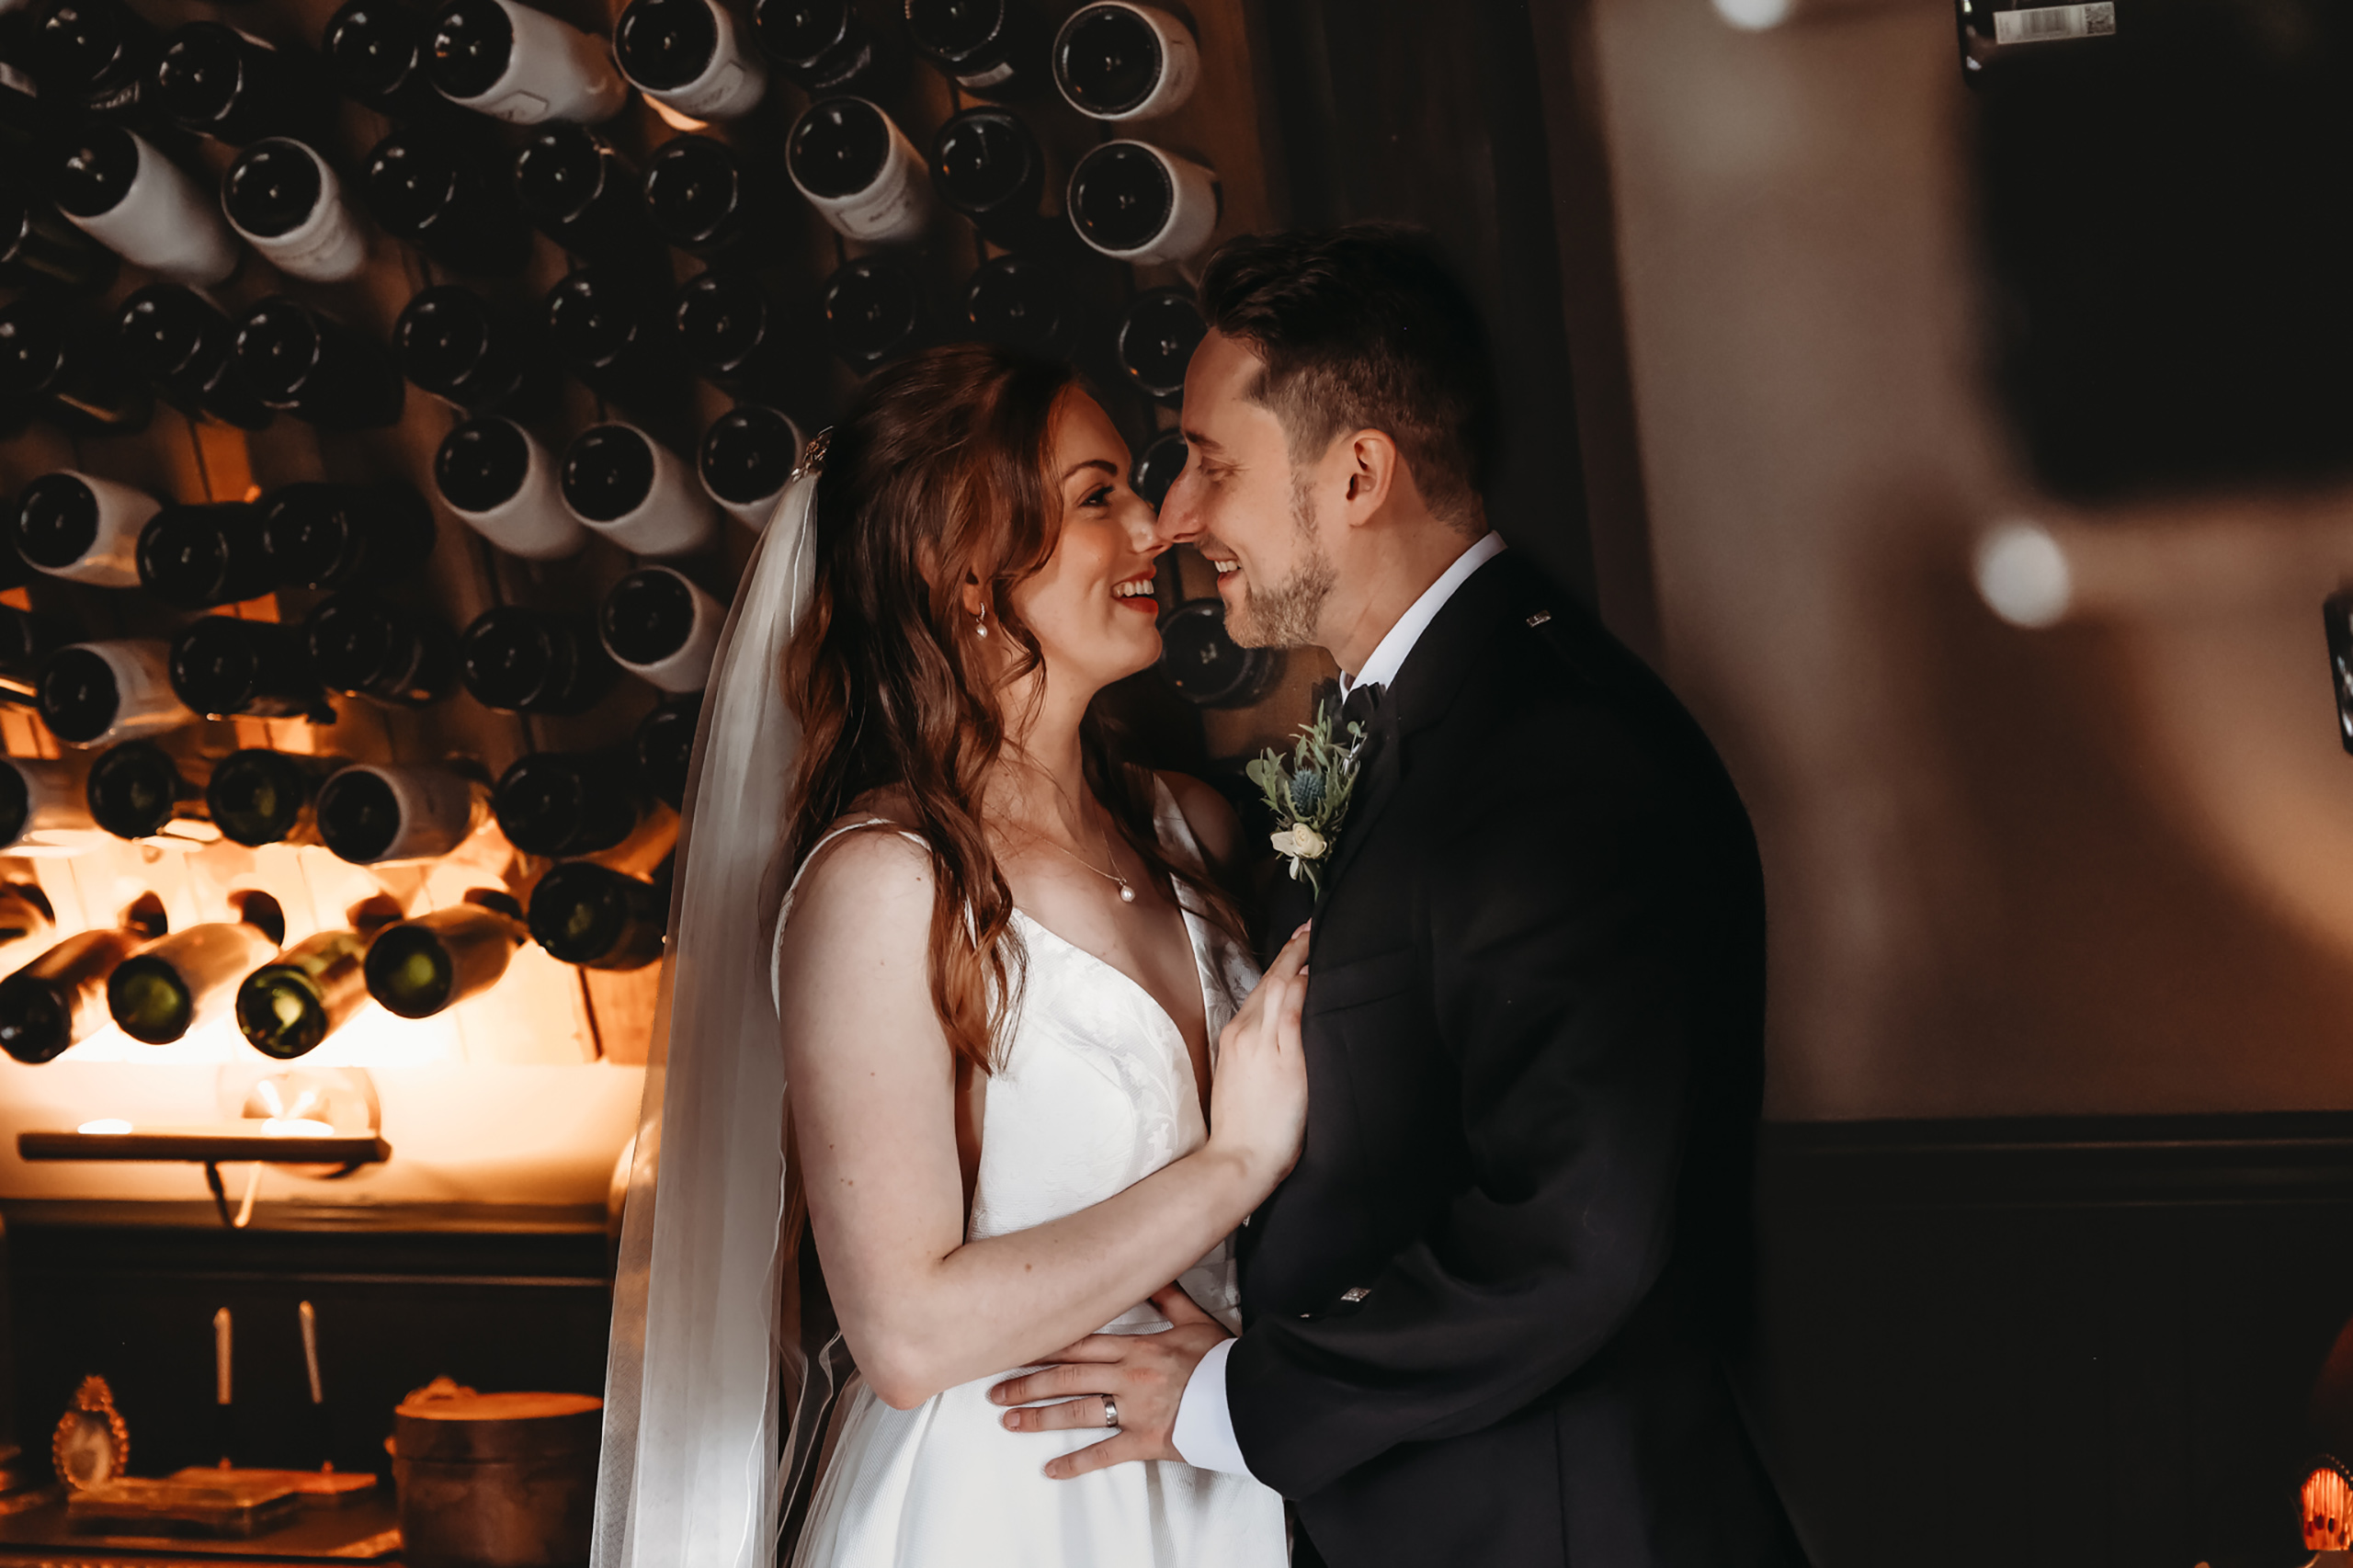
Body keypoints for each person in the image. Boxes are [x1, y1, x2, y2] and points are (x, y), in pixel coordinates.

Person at [984, 225, 1810, 1567]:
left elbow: (1578, 1234)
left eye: (1213, 463)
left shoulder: (1554, 758)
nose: (1177, 518)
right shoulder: (1425, 715)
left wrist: (1236, 1399)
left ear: (1359, 474)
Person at [592, 342, 1303, 1568]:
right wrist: (1234, 1164)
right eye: (1097, 498)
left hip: (1220, 1478)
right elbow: (906, 1332)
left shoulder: (1191, 828)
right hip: (1012, 1506)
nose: (1156, 527)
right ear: (966, 572)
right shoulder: (886, 885)